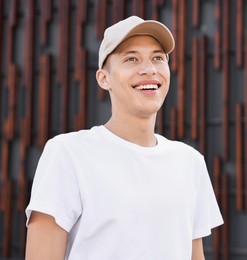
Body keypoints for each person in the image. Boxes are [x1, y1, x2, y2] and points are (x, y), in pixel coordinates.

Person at [25, 15, 223, 260]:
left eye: (158, 58)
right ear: (103, 78)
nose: (149, 69)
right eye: (132, 58)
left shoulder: (190, 161)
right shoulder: (68, 153)